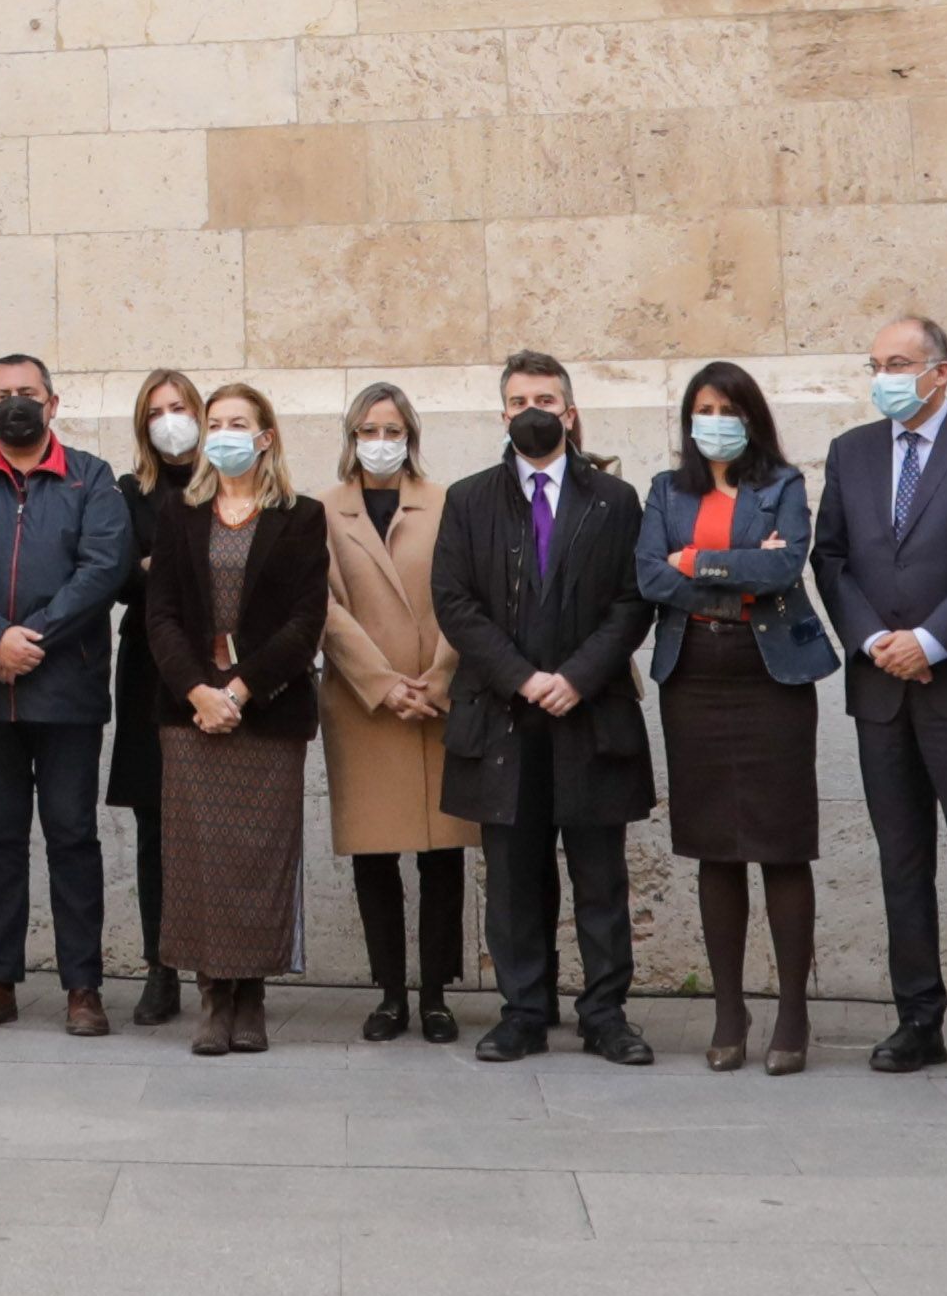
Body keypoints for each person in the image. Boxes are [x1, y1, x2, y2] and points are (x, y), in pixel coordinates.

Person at [819, 314, 947, 1078]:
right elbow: (831, 556)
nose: (885, 375)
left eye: (900, 362)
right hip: (880, 687)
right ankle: (917, 1016)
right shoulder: (851, 452)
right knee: (901, 859)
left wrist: (931, 640)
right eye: (875, 362)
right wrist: (875, 640)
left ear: (942, 371)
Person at [436, 348, 657, 1067]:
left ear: (570, 411)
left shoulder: (614, 501)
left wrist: (577, 677)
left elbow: (631, 601)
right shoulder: (468, 499)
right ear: (503, 413)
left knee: (599, 875)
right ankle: (523, 1010)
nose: (534, 412)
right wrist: (523, 678)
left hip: (589, 713)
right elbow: (455, 602)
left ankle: (606, 1013)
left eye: (547, 400)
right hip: (505, 715)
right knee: (511, 876)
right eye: (520, 401)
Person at [639, 362, 835, 1074]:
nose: (714, 418)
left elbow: (782, 573)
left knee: (781, 844)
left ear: (750, 416)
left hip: (769, 680)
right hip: (692, 678)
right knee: (712, 845)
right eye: (703, 407)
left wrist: (694, 561)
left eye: (726, 407)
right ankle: (728, 1008)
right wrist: (733, 566)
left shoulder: (781, 485)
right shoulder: (665, 490)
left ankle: (791, 1010)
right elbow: (647, 576)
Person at [0, 347, 128, 1034]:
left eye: (27, 391)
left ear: (53, 403)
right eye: (1, 393)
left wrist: (30, 639)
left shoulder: (91, 477)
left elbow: (102, 569)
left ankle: (83, 986)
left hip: (66, 687)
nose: (13, 402)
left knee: (73, 836)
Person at [136, 378, 326, 1056]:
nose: (221, 433)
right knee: (198, 860)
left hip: (265, 712)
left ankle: (252, 997)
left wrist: (240, 692)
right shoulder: (178, 515)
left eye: (236, 423)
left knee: (257, 859)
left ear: (265, 437)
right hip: (189, 712)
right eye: (213, 421)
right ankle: (212, 996)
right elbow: (158, 615)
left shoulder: (301, 516)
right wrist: (198, 692)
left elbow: (306, 620)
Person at [317, 381, 469, 1044]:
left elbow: (466, 592)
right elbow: (322, 607)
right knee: (373, 856)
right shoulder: (321, 511)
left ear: (410, 434)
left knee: (442, 857)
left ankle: (435, 993)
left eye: (391, 430)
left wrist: (437, 677)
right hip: (363, 705)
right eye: (368, 430)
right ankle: (388, 993)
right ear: (351, 438)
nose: (380, 443)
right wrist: (382, 684)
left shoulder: (447, 503)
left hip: (440, 696)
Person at [105, 363, 207, 1029]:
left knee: (214, 823)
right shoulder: (125, 491)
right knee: (154, 828)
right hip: (147, 669)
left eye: (179, 406)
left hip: (221, 670)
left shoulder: (225, 483)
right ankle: (159, 967)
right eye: (155, 410)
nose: (169, 419)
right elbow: (117, 575)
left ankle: (220, 967)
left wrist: (158, 566)